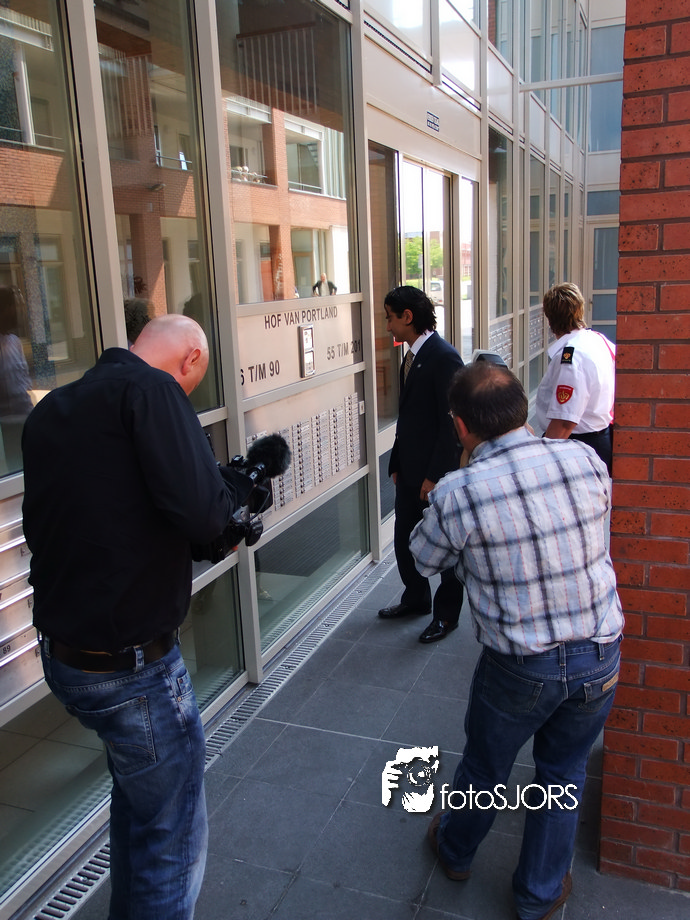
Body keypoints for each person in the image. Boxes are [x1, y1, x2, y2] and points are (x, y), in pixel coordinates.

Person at [22, 314, 254, 920]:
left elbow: (104, 513)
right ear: (190, 359)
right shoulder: (154, 390)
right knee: (170, 841)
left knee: (138, 808)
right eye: (193, 382)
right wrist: (237, 489)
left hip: (67, 659)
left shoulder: (55, 407)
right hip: (135, 674)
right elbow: (205, 515)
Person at [410, 362, 623, 920]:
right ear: (523, 409)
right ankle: (539, 895)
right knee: (563, 772)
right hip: (600, 651)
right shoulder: (584, 459)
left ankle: (455, 851)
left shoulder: (459, 492)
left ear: (460, 426)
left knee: (485, 766)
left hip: (520, 665)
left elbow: (424, 558)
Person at [377, 285, 465, 643]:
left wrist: (433, 476)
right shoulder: (412, 357)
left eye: (390, 318)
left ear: (408, 317)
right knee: (404, 541)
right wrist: (397, 463)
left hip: (434, 476)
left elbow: (451, 427)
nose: (387, 326)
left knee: (445, 549)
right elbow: (409, 419)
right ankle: (416, 599)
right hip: (409, 473)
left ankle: (446, 616)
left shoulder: (444, 358)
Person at [535, 282, 615, 473]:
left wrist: (541, 464)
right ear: (580, 310)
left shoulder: (571, 358)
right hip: (598, 439)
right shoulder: (597, 339)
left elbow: (564, 422)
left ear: (549, 319)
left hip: (577, 446)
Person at [0, 285, 33, 473]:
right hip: (6, 428)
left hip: (25, 419)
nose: (20, 311)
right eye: (15, 306)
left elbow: (24, 380)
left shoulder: (15, 342)